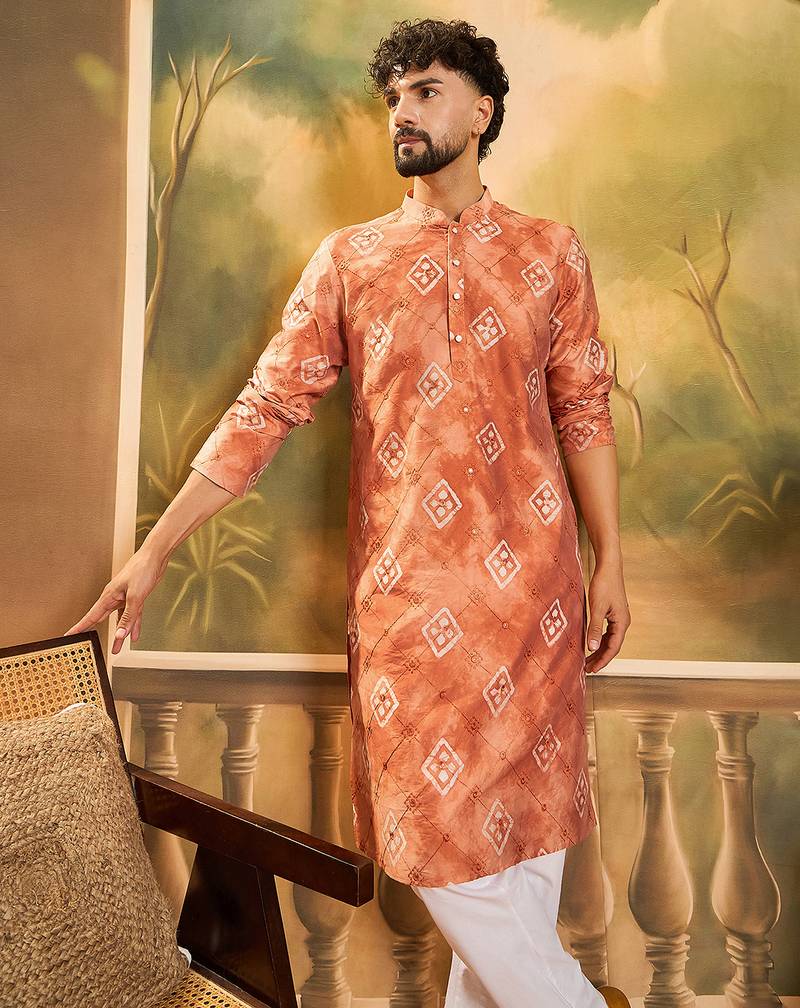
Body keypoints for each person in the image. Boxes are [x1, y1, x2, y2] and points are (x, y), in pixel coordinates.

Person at [66, 17, 631, 1007]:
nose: (402, 113)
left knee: (522, 866)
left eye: (425, 91)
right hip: (407, 610)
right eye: (393, 98)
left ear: (482, 110)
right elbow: (265, 409)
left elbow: (583, 408)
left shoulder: (550, 253)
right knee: (441, 855)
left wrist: (609, 560)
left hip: (536, 609)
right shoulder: (350, 261)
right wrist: (154, 551)